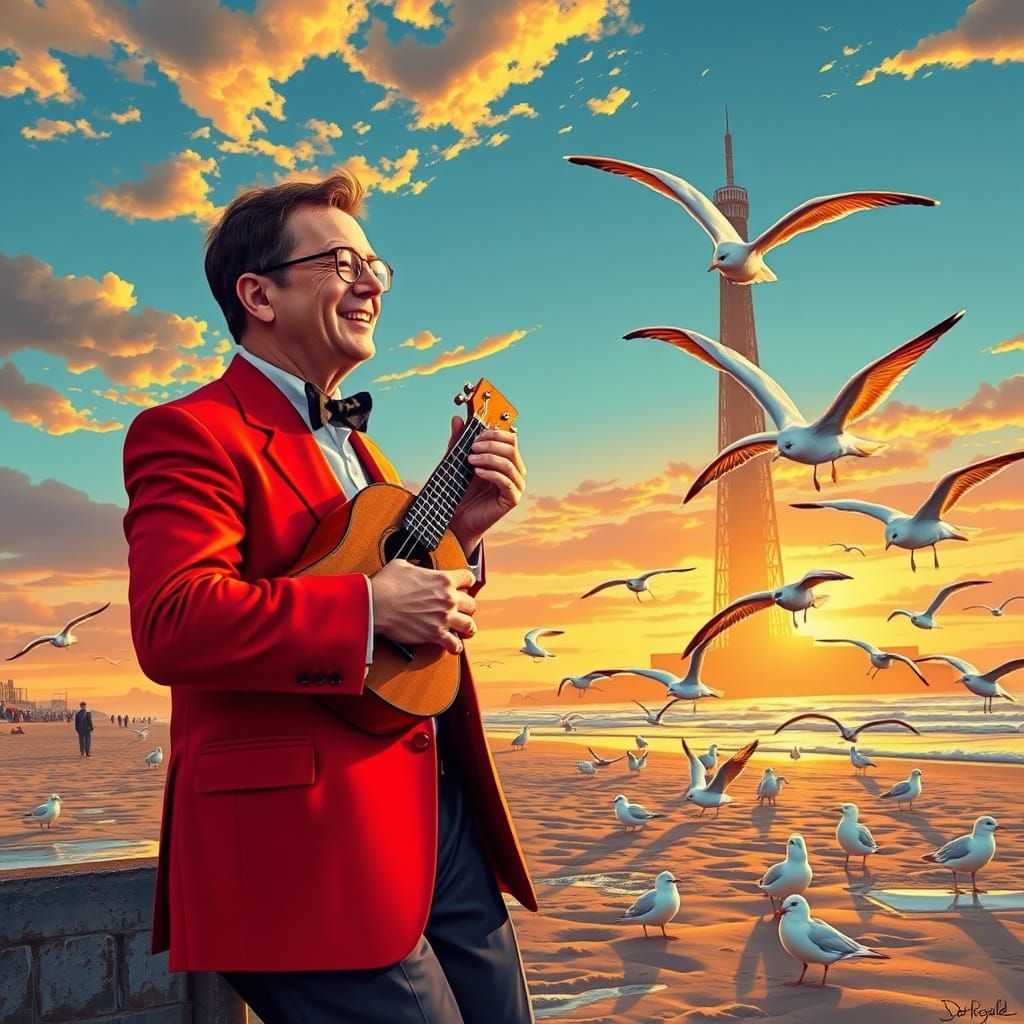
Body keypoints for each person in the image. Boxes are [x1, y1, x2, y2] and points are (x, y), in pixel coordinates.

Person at [122, 171, 536, 1023]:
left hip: (436, 819)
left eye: (377, 263)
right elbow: (173, 623)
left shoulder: (370, 459)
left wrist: (464, 532)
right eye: (342, 261)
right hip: (299, 840)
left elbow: (407, 603)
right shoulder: (190, 430)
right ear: (258, 295)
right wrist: (369, 609)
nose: (372, 282)